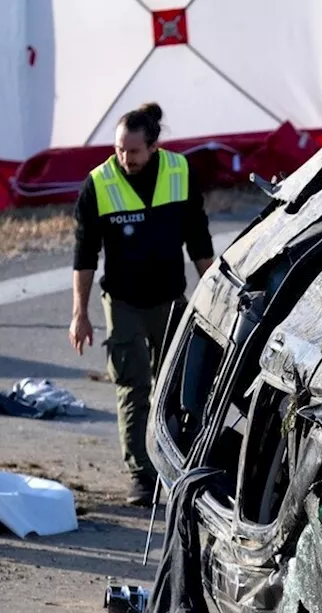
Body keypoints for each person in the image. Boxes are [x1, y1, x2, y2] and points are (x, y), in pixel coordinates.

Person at [69, 102, 215, 505]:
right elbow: (84, 258)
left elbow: (199, 243)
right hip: (124, 302)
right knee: (133, 387)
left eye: (132, 151)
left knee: (175, 389)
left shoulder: (180, 173)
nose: (124, 158)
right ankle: (142, 477)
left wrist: (219, 297)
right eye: (119, 149)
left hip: (170, 302)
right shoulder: (98, 184)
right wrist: (80, 313)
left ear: (152, 147)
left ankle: (175, 467)